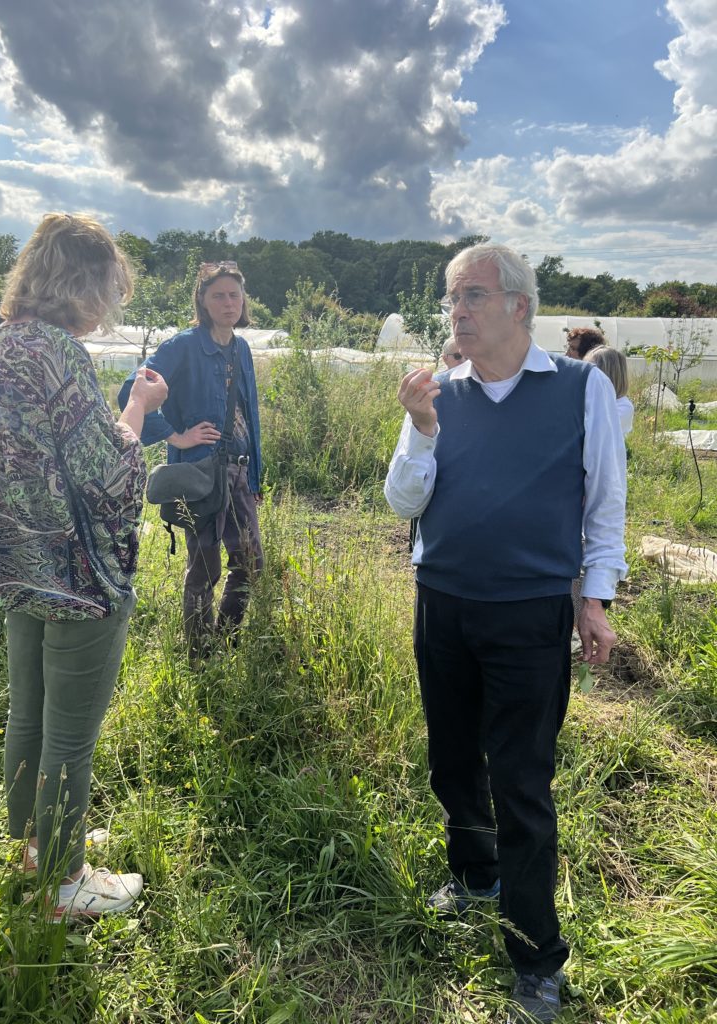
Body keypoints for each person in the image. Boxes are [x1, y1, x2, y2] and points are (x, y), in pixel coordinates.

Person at [384, 243, 627, 1023]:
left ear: (520, 307)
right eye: (453, 298)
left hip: (529, 611)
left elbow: (604, 504)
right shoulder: (439, 395)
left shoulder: (581, 389)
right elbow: (401, 502)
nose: (457, 311)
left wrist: (595, 598)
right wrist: (420, 428)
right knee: (453, 758)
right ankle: (474, 876)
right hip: (444, 602)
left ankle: (534, 956)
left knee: (522, 780)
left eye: (474, 296)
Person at [0, 213, 168, 921]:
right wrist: (138, 407)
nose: (110, 302)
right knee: (70, 735)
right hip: (76, 573)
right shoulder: (55, 353)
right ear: (85, 283)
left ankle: (33, 844)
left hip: (16, 562)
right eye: (110, 285)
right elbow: (108, 474)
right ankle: (65, 881)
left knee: (29, 716)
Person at [118, 261, 263, 662]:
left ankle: (226, 643)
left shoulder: (242, 347)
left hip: (238, 470)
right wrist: (174, 435)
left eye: (234, 294)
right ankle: (199, 657)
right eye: (218, 295)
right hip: (199, 472)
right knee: (204, 567)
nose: (228, 302)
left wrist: (254, 477)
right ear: (202, 300)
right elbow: (131, 390)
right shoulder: (182, 346)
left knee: (250, 564)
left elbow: (249, 416)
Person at [584, 345, 634, 435]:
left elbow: (595, 430)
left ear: (607, 374)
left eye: (590, 369)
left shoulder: (623, 407)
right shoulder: (591, 397)